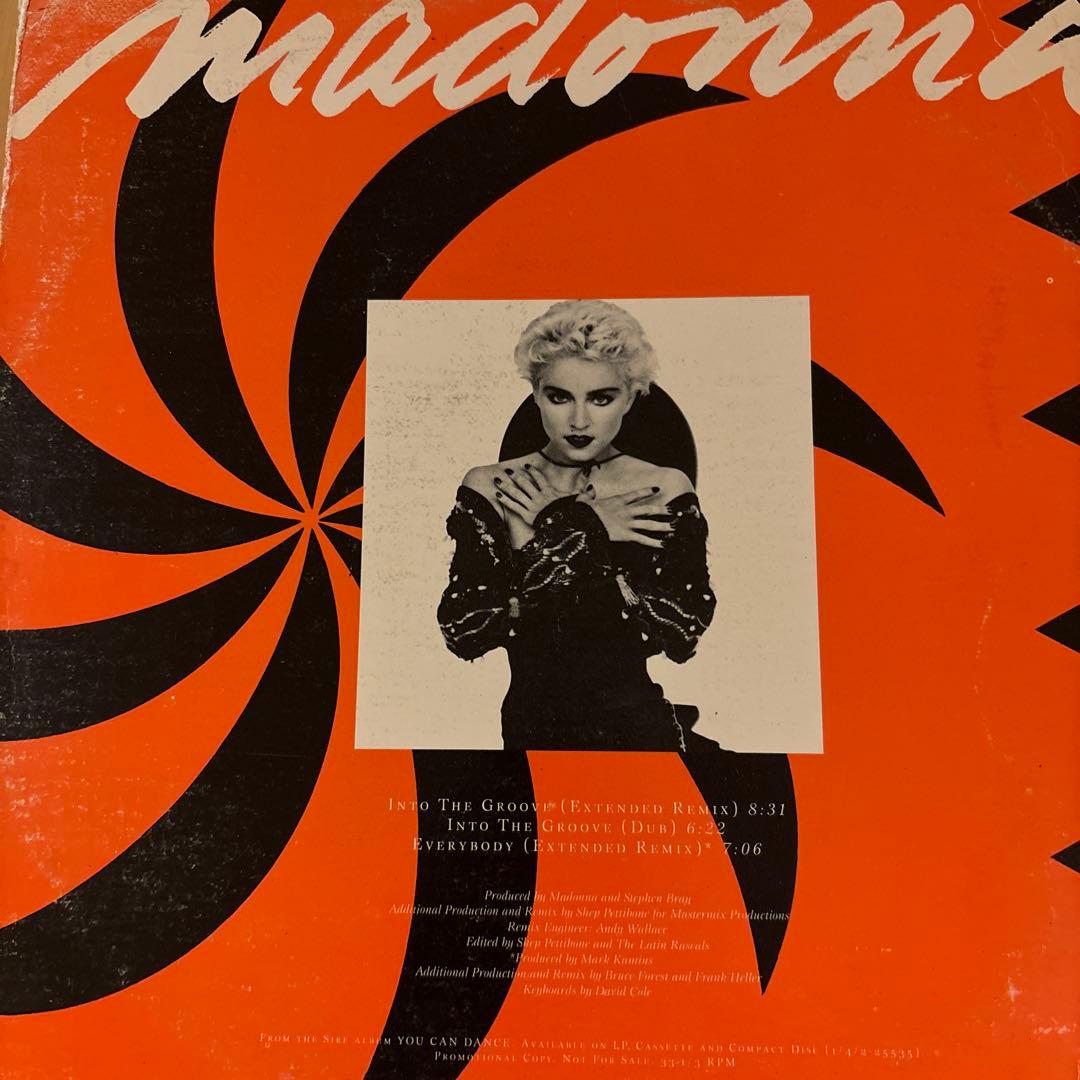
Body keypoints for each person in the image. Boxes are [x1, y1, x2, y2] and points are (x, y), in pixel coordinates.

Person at [437, 300, 717, 751]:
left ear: (630, 397)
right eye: (559, 396)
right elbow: (466, 629)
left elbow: (682, 631)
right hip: (532, 736)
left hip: (642, 736)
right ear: (535, 393)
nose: (579, 420)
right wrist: (589, 526)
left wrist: (558, 525)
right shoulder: (492, 485)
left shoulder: (662, 487)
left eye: (601, 398)